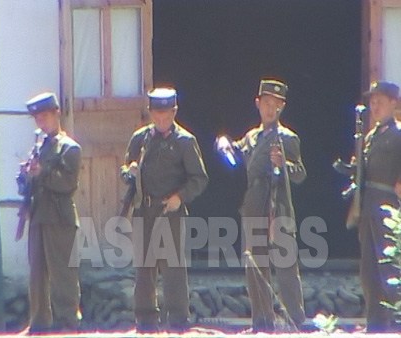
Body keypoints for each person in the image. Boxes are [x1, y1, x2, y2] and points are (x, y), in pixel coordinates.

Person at [218, 79, 306, 332]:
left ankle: (294, 321)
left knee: (286, 264)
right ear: (258, 104)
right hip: (254, 203)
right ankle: (262, 322)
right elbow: (236, 151)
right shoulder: (252, 137)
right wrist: (224, 143)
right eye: (266, 103)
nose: (270, 109)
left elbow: (300, 173)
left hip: (278, 203)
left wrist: (283, 165)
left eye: (276, 105)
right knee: (255, 264)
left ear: (282, 108)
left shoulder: (287, 138)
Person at [121, 87, 208, 333]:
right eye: (156, 114)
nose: (161, 119)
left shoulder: (185, 141)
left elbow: (199, 178)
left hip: (170, 211)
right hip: (144, 210)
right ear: (150, 112)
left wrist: (180, 197)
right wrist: (130, 172)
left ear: (174, 111)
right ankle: (146, 321)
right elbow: (126, 167)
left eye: (166, 114)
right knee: (144, 267)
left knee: (173, 268)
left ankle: (178, 320)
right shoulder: (141, 138)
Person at [358, 81, 401, 332]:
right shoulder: (371, 136)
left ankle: (398, 324)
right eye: (372, 102)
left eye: (380, 101)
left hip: (388, 205)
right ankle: (375, 324)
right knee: (369, 268)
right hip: (368, 203)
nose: (375, 106)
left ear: (393, 103)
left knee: (389, 265)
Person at [18, 92, 82, 333]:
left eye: (45, 116)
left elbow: (67, 184)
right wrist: (25, 175)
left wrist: (41, 172)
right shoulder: (39, 145)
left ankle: (67, 322)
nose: (41, 122)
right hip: (38, 214)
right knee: (37, 273)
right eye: (37, 118)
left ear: (57, 113)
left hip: (59, 215)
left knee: (62, 272)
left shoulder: (69, 148)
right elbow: (30, 179)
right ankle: (39, 322)